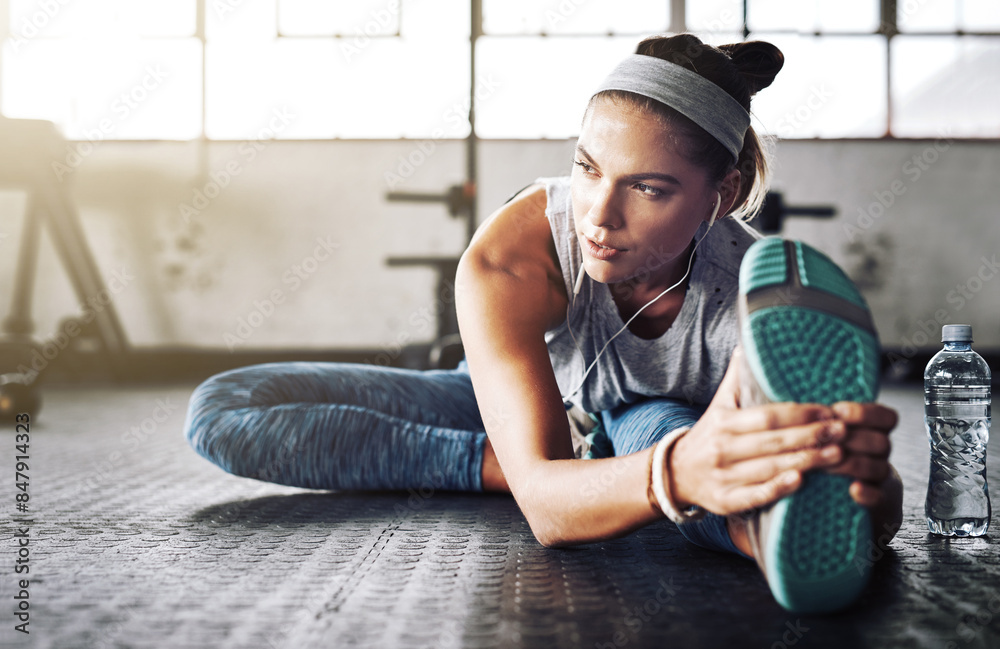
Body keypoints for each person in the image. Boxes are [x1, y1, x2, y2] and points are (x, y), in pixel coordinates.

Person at [183, 33, 903, 614]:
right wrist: (554, 478)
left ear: (724, 194)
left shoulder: (752, 297)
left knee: (659, 428)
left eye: (648, 188)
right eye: (588, 169)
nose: (598, 215)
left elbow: (856, 491)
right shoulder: (512, 252)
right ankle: (549, 471)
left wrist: (867, 492)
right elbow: (550, 517)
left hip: (662, 422)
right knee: (222, 410)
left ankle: (750, 529)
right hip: (512, 408)